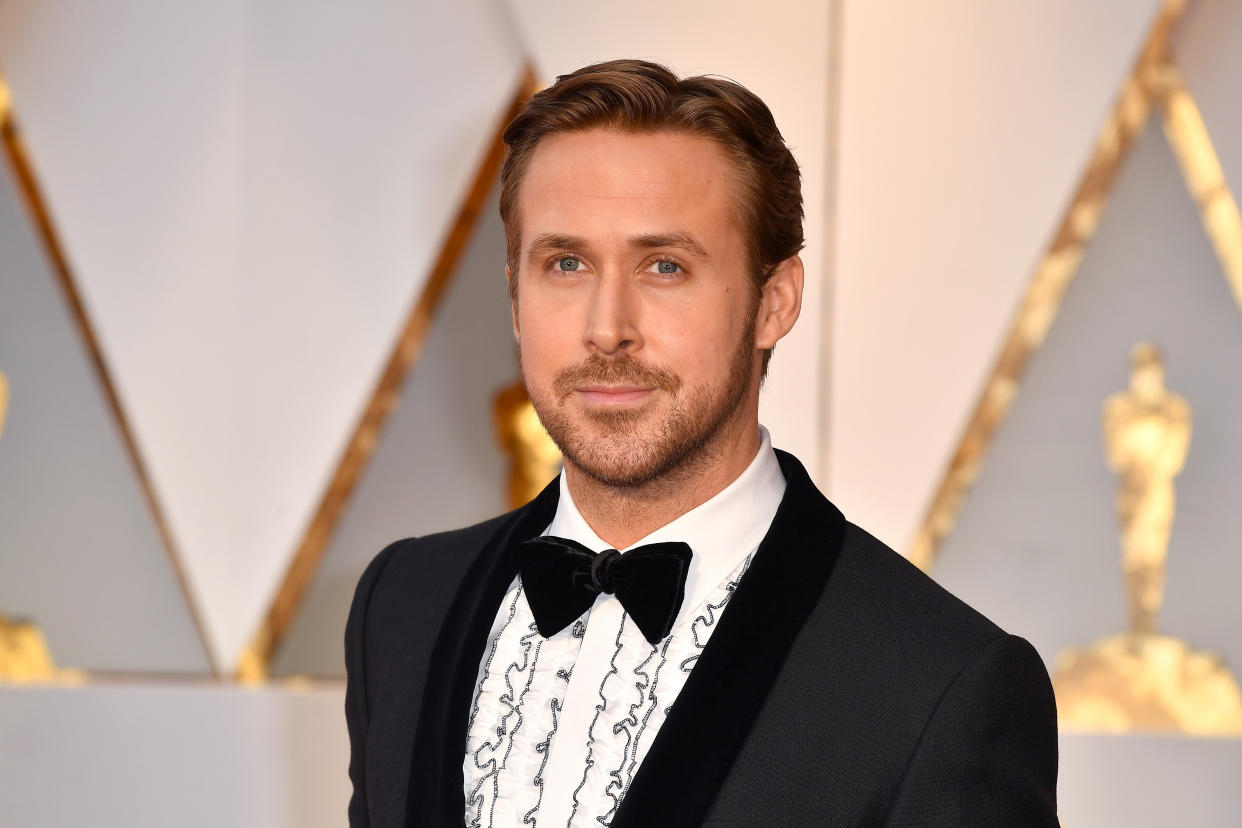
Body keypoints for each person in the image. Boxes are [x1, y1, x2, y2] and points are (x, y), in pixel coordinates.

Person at [345, 59, 1059, 828]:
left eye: (664, 266)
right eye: (566, 263)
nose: (606, 326)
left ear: (774, 302)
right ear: (516, 298)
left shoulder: (937, 683)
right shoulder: (402, 604)